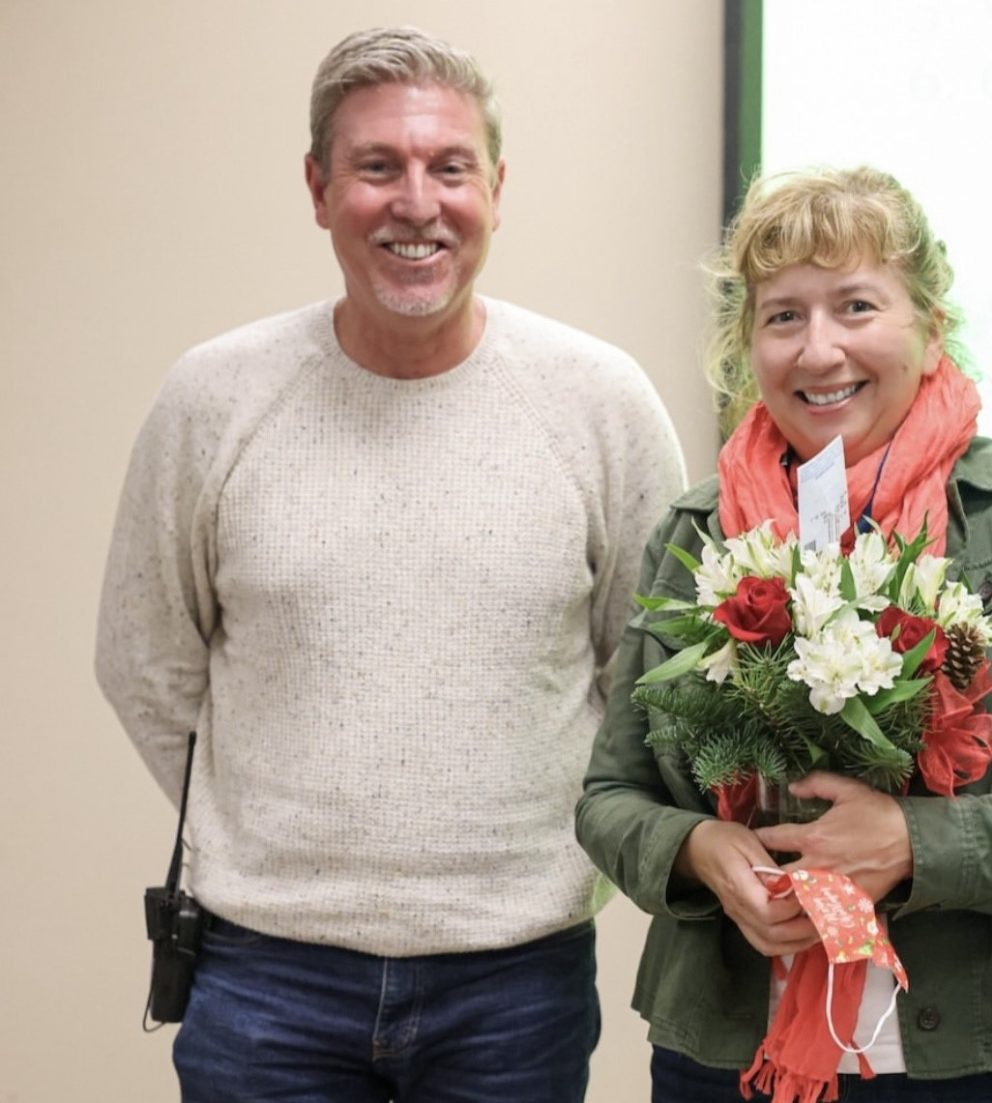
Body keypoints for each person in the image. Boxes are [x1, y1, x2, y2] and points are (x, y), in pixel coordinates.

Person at [95, 26, 685, 1103]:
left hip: (516, 978)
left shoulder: (602, 403)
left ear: (496, 189)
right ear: (319, 189)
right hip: (264, 976)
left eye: (449, 167)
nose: (418, 202)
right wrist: (278, 824)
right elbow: (147, 660)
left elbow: (648, 674)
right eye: (377, 166)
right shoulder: (213, 398)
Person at [575, 165, 992, 1103]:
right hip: (733, 1057)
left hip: (991, 1063)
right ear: (747, 348)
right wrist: (697, 851)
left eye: (856, 306)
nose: (820, 351)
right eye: (783, 316)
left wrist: (919, 842)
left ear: (930, 326)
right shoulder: (699, 532)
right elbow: (613, 795)